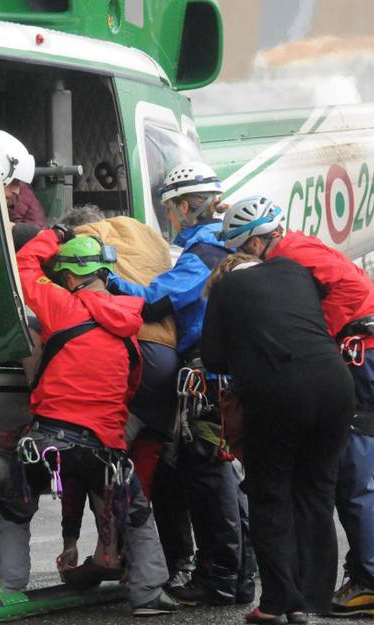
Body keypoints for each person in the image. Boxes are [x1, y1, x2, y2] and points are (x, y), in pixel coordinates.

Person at [218, 195, 374, 618]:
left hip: (362, 353)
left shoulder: (289, 259)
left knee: (350, 477)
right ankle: (364, 575)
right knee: (339, 474)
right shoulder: (302, 245)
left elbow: (307, 315)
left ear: (253, 243)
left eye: (241, 249)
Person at [0, 227, 179, 617]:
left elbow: (23, 265)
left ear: (70, 276)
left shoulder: (61, 305)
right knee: (137, 514)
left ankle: (7, 587)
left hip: (48, 441)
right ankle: (148, 595)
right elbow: (130, 389)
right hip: (105, 450)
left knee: (15, 507)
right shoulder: (130, 330)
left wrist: (52, 234)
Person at [108, 162, 255, 607]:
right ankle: (238, 578)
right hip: (227, 372)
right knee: (221, 472)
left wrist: (106, 279)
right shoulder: (222, 246)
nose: (170, 218)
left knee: (208, 475)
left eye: (171, 209)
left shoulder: (203, 253)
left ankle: (219, 579)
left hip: (206, 376)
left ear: (186, 207)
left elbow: (155, 302)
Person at [201, 251, 355, 624]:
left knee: (270, 494)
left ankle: (277, 602)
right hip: (336, 386)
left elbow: (213, 358)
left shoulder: (226, 287)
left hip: (279, 392)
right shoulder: (295, 271)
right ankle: (309, 599)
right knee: (316, 493)